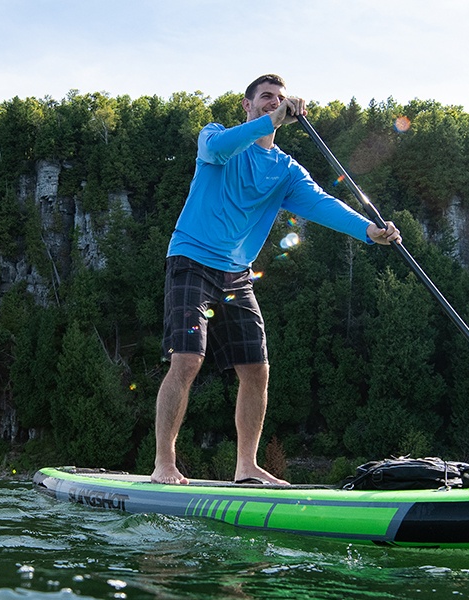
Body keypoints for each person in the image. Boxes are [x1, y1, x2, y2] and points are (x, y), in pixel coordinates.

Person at [150, 73, 403, 486]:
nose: (274, 102)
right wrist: (271, 120)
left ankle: (246, 467)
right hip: (191, 260)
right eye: (266, 97)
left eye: (280, 99)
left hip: (237, 275)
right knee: (188, 360)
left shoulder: (286, 171)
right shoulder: (217, 138)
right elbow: (217, 148)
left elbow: (324, 204)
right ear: (247, 105)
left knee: (257, 370)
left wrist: (368, 231)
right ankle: (164, 464)